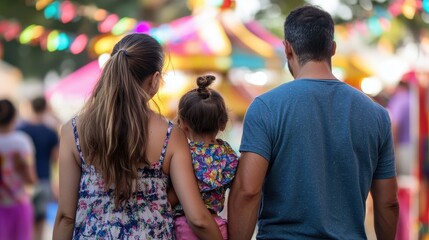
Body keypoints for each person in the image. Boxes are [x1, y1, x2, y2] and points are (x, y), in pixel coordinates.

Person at [228, 5, 399, 240]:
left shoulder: (266, 107)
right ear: (333, 48)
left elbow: (248, 191)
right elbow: (387, 202)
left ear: (287, 49)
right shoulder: (377, 115)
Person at [53, 33, 223, 239]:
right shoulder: (171, 136)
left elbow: (65, 217)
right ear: (155, 79)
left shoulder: (72, 131)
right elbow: (197, 218)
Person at [171, 75, 239, 239]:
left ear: (182, 123)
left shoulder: (182, 154)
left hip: (183, 228)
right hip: (217, 227)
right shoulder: (229, 155)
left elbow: (171, 198)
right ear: (223, 123)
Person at [17, 96, 59, 240]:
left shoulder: (21, 129)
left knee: (25, 221)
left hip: (24, 182)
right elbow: (55, 158)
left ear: (31, 107)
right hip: (44, 179)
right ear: (45, 108)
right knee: (40, 221)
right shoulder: (50, 132)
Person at [0, 99, 37, 240]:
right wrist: (20, 167)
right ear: (14, 117)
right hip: (19, 205)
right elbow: (31, 180)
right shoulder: (22, 142)